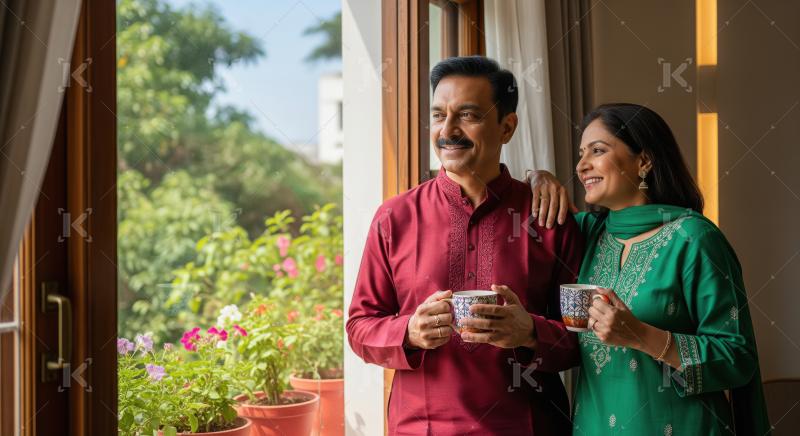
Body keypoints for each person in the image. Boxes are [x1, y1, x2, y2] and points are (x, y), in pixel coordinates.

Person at [346, 56, 584, 435]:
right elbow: (359, 327)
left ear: (507, 127)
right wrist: (407, 332)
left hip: (529, 426)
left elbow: (583, 341)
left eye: (468, 116)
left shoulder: (549, 218)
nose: (448, 130)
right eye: (439, 115)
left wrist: (529, 332)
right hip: (420, 427)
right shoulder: (394, 217)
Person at [530, 103, 771, 435]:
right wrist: (536, 176)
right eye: (581, 153)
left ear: (643, 161)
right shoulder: (587, 233)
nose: (581, 165)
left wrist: (643, 336)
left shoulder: (694, 239)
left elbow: (737, 358)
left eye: (597, 151)